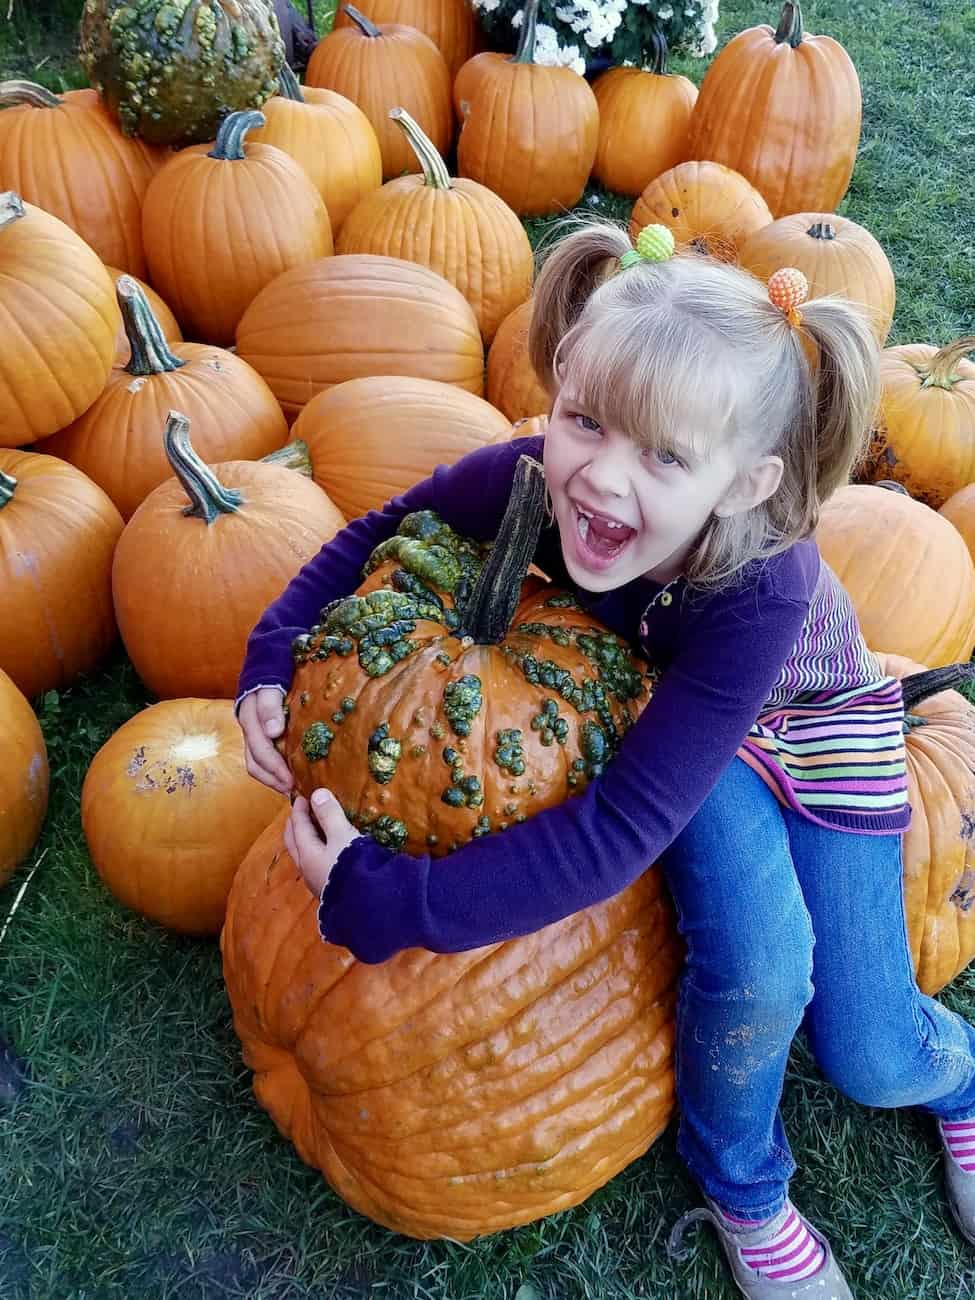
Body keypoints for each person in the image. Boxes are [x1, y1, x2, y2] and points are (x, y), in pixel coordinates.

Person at [237, 219, 975, 1298]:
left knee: (864, 1042)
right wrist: (271, 653)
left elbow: (614, 832)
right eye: (585, 419)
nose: (602, 479)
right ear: (562, 387)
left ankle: (951, 1078)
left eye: (664, 455)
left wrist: (403, 901)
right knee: (760, 970)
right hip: (670, 714)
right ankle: (745, 1184)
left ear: (742, 482)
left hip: (800, 726)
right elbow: (374, 530)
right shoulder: (535, 476)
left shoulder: (756, 587)